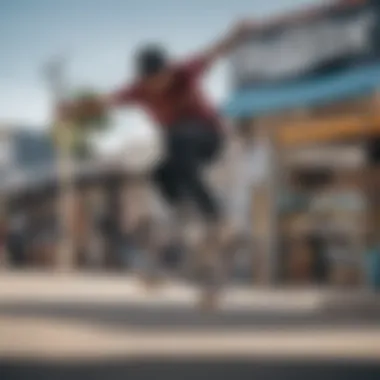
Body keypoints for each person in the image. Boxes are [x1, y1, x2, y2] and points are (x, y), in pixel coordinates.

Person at [58, 21, 256, 307]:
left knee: (177, 140)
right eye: (151, 81)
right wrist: (74, 109)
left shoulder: (185, 72)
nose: (157, 85)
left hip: (209, 138)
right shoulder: (139, 90)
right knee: (160, 172)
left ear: (167, 69)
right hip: (181, 150)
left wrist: (237, 34)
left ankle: (216, 218)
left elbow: (214, 51)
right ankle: (184, 217)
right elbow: (106, 101)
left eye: (160, 78)